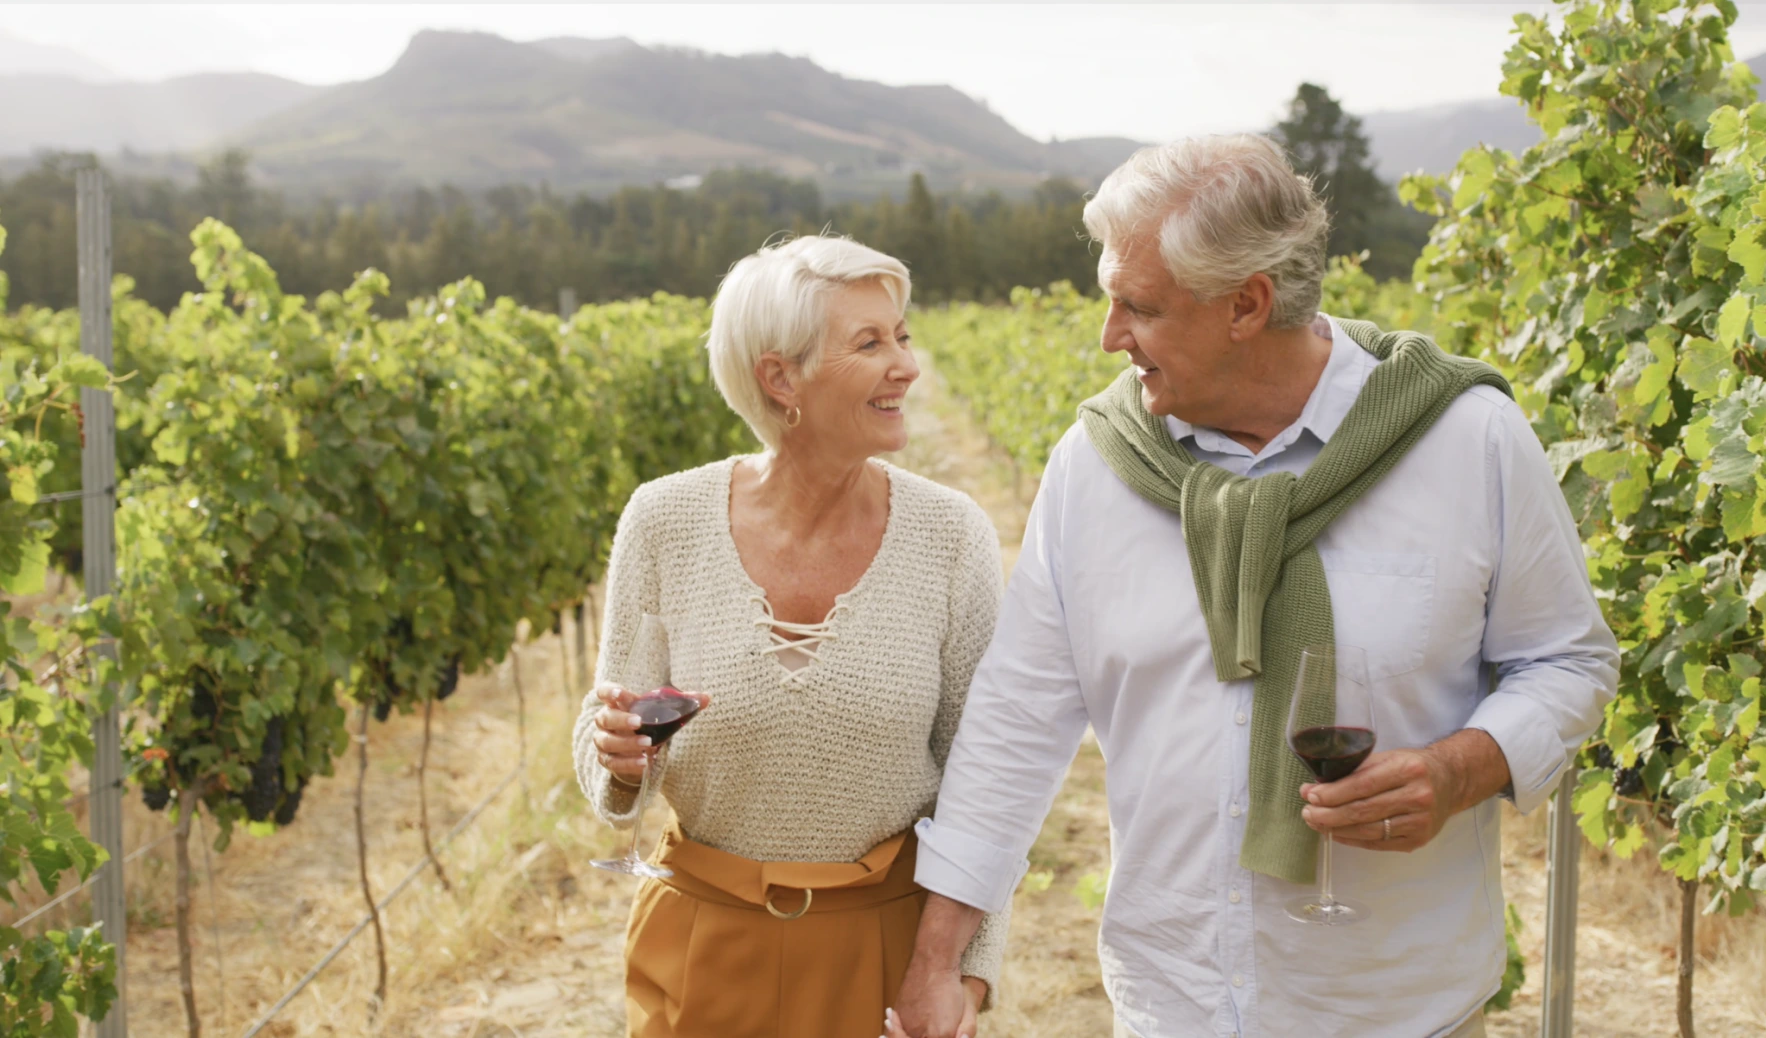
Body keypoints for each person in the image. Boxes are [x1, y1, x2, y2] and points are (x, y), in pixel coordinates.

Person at [885, 134, 1619, 1038]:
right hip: (1171, 1003)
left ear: (1247, 304)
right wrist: (937, 960)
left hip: (1395, 1007)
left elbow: (1568, 661)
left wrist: (1457, 770)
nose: (1110, 336)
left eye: (1139, 306)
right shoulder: (1095, 466)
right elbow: (1017, 717)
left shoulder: (1467, 440)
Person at [574, 234, 1008, 1038]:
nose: (907, 366)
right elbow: (611, 731)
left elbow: (986, 779)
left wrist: (962, 972)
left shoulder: (952, 537)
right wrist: (618, 757)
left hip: (886, 953)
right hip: (703, 948)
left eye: (902, 336)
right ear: (781, 378)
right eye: (870, 343)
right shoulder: (664, 520)